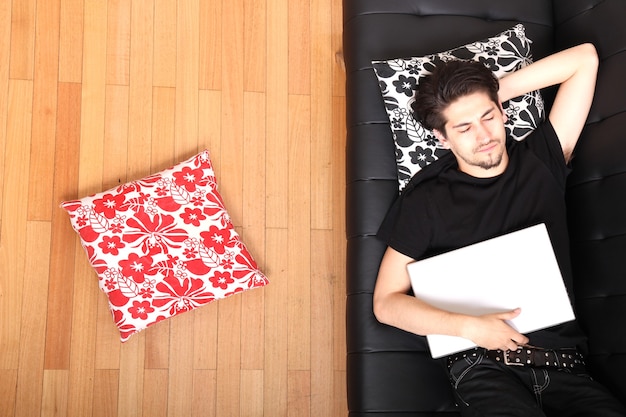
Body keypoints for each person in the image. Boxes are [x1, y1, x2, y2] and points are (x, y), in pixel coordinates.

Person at [373, 43, 626, 416]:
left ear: (502, 112)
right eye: (464, 127)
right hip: (482, 365)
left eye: (488, 117)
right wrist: (469, 328)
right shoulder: (424, 202)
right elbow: (386, 304)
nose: (484, 135)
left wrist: (493, 92)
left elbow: (584, 59)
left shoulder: (542, 161)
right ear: (443, 138)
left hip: (565, 367)